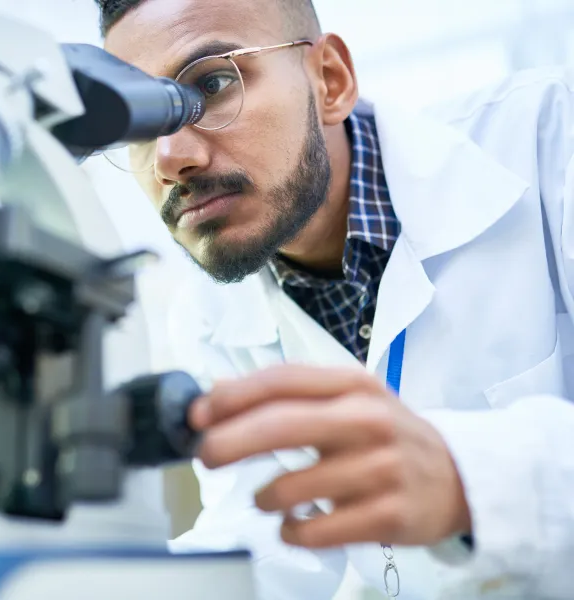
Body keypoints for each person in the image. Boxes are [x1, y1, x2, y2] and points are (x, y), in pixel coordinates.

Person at [94, 0, 574, 598]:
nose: (171, 159)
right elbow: (264, 554)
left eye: (212, 84)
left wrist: (471, 479)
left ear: (330, 81)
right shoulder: (206, 318)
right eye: (137, 127)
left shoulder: (551, 138)